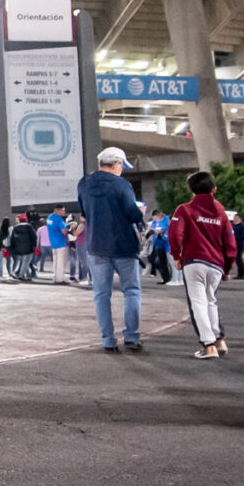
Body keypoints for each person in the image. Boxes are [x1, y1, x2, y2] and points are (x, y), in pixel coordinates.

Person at [78, 147, 147, 353]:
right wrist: (140, 211)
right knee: (132, 291)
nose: (122, 170)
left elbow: (84, 212)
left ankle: (108, 340)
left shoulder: (83, 184)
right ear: (116, 164)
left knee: (101, 295)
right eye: (122, 166)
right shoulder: (121, 184)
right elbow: (133, 215)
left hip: (96, 246)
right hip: (123, 245)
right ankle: (131, 337)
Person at [170, 170, 238, 358]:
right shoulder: (222, 214)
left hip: (194, 262)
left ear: (190, 189)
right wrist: (227, 268)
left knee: (198, 303)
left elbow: (175, 234)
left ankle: (208, 345)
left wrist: (177, 256)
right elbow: (230, 244)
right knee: (211, 301)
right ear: (214, 189)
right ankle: (219, 340)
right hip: (216, 264)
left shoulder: (184, 210)